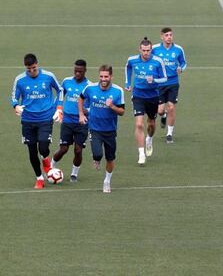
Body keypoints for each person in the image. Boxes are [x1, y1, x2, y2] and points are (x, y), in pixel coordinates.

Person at [10, 53, 63, 189]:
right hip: (28, 120)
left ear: (37, 64)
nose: (32, 71)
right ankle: (39, 178)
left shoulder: (48, 76)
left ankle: (45, 160)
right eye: (29, 69)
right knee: (32, 151)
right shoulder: (20, 80)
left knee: (43, 146)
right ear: (25, 68)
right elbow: (14, 97)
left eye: (33, 68)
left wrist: (58, 108)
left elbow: (60, 90)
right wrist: (16, 106)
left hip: (45, 118)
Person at [78, 65, 125, 193]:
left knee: (110, 158)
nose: (103, 79)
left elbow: (122, 112)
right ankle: (96, 158)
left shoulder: (118, 91)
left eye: (106, 76)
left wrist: (112, 106)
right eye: (101, 76)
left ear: (111, 76)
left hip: (110, 130)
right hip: (95, 128)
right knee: (98, 154)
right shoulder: (90, 88)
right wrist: (81, 114)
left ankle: (107, 181)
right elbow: (81, 98)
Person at [124, 37, 167, 166]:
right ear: (140, 49)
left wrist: (154, 80)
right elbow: (128, 68)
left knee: (151, 124)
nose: (146, 53)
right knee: (139, 124)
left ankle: (149, 139)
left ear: (151, 50)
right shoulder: (132, 60)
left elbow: (164, 78)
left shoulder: (158, 62)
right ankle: (141, 154)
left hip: (153, 96)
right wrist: (127, 82)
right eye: (144, 50)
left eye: (148, 50)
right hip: (138, 95)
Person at [51, 60, 92, 182]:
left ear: (85, 71)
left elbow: (93, 105)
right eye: (76, 71)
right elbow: (60, 96)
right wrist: (55, 110)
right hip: (67, 120)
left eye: (80, 71)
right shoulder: (66, 81)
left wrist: (87, 110)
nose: (77, 73)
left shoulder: (90, 86)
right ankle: (52, 166)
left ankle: (74, 173)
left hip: (81, 122)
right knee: (63, 149)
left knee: (78, 150)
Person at [152, 27, 187, 143]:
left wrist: (180, 68)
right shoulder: (155, 49)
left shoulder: (178, 49)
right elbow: (148, 60)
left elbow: (184, 63)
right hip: (159, 83)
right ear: (162, 36)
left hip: (173, 82)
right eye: (166, 35)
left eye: (171, 35)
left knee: (171, 106)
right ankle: (163, 115)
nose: (169, 37)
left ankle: (169, 134)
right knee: (160, 110)